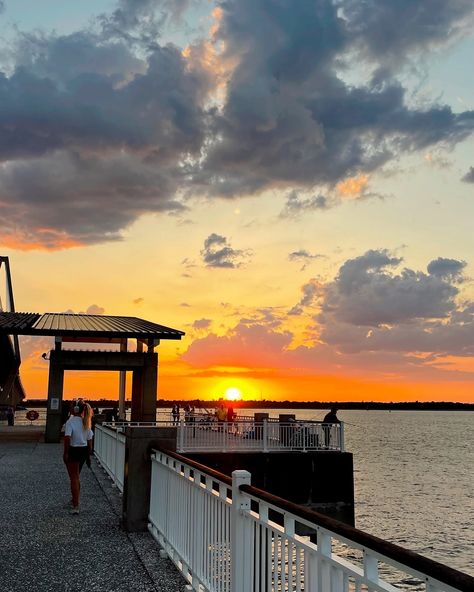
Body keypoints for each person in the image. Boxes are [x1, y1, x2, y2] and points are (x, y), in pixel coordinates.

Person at [63, 400, 93, 514]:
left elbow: (67, 438)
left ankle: (76, 506)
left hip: (73, 450)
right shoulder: (86, 422)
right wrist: (88, 457)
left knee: (74, 478)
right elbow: (89, 441)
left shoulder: (70, 422)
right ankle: (74, 499)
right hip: (83, 451)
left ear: (74, 409)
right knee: (76, 476)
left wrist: (66, 453)